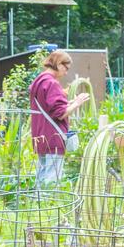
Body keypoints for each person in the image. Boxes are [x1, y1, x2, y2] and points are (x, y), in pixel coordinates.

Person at [27, 49, 79, 186]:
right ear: (59, 64)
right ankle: (49, 206)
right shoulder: (51, 83)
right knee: (51, 180)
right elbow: (60, 113)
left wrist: (70, 103)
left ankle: (37, 205)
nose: (66, 72)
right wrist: (77, 103)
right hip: (53, 138)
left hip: (40, 136)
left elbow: (48, 107)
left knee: (41, 177)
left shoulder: (38, 81)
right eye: (66, 68)